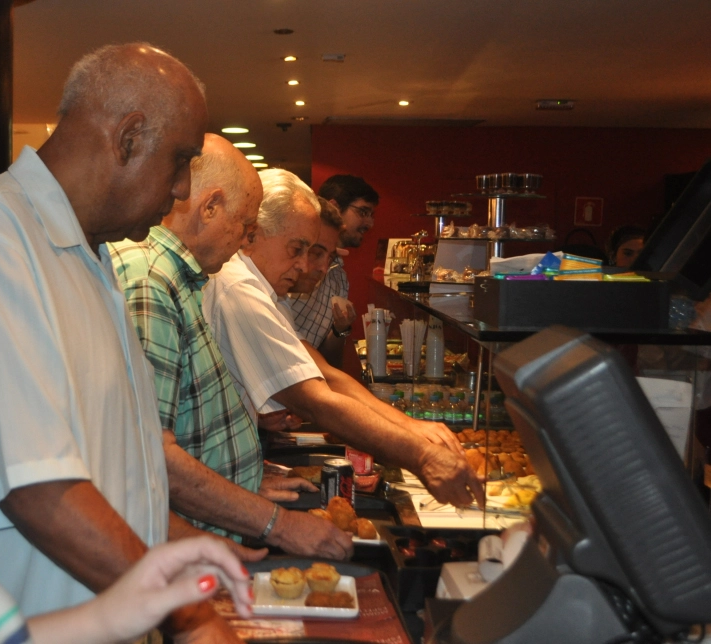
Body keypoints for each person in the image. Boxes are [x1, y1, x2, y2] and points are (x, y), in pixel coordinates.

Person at [0, 12, 251, 644]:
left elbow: (119, 469)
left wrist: (178, 558)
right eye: (179, 161)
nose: (181, 189)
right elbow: (36, 487)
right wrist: (186, 614)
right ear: (127, 138)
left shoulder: (92, 259)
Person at [108, 134, 352, 560]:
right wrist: (275, 523)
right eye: (244, 224)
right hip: (185, 555)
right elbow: (150, 457)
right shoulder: (151, 282)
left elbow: (187, 425)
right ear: (210, 206)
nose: (244, 241)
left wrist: (238, 481)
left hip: (213, 525)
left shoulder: (181, 277)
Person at [204, 169, 484, 508]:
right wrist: (422, 455)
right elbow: (317, 400)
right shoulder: (240, 289)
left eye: (313, 252)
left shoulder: (263, 287)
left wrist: (410, 427)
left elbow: (322, 371)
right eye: (298, 249)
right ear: (254, 235)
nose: (306, 266)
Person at [289, 174, 379, 368]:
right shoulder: (291, 264)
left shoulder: (339, 278)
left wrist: (341, 329)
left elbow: (327, 359)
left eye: (372, 215)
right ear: (334, 208)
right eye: (363, 212)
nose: (370, 223)